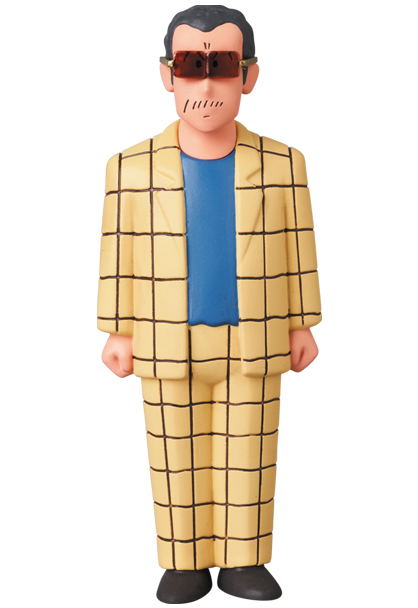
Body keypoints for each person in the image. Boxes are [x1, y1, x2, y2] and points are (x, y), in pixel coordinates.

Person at [97, 5, 321, 603]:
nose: (205, 84)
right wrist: (117, 329)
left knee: (250, 451)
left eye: (220, 65)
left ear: (248, 75)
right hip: (164, 336)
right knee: (175, 453)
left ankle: (244, 560)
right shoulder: (129, 168)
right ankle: (183, 560)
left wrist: (302, 321)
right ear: (167, 74)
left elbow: (299, 246)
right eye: (190, 66)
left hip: (257, 335)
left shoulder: (284, 164)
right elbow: (117, 252)